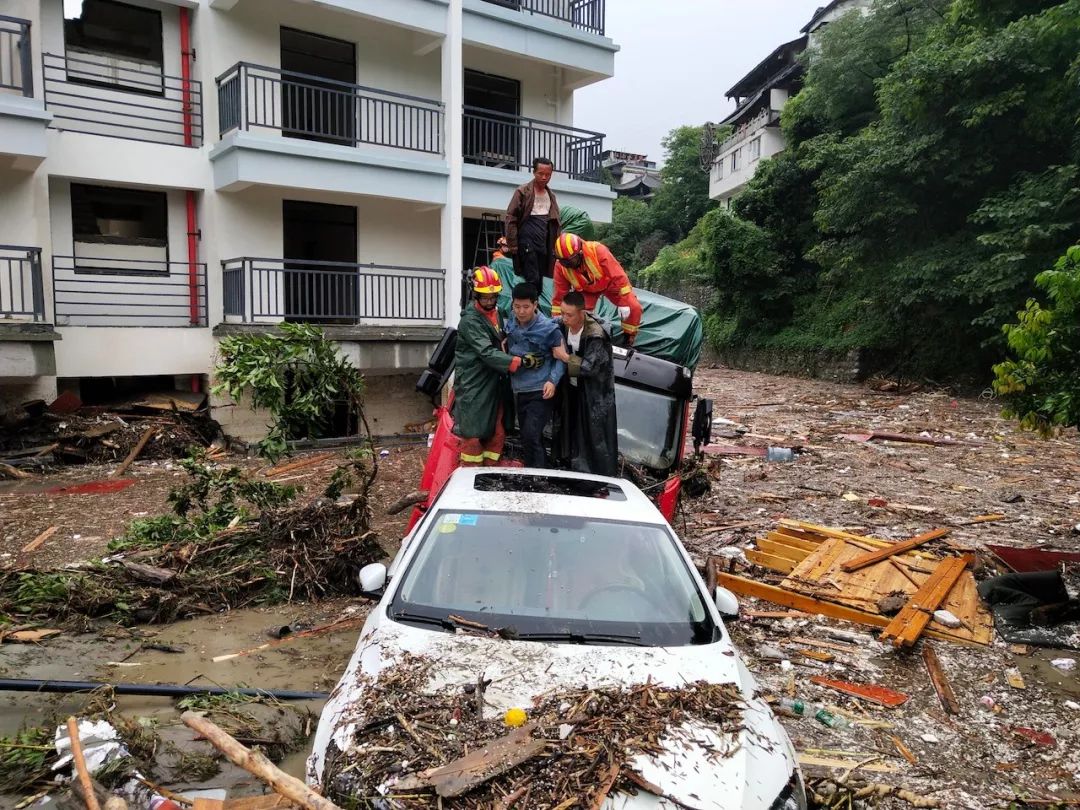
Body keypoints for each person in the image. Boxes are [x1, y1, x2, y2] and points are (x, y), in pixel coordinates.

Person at [452, 266, 521, 467]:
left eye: (493, 297)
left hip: (493, 378)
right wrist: (514, 362)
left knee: (497, 428)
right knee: (473, 432)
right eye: (485, 297)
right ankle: (470, 472)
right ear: (476, 295)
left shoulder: (495, 313)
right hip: (475, 381)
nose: (490, 301)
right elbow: (485, 351)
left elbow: (499, 340)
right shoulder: (469, 320)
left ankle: (491, 469)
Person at [553, 290, 619, 476]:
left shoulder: (596, 334)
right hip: (570, 389)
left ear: (582, 313)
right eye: (562, 313)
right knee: (566, 426)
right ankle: (566, 463)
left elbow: (590, 368)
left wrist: (565, 357)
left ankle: (594, 475)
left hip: (593, 393)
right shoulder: (561, 324)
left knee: (592, 434)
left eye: (569, 315)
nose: (564, 318)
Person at [506, 282, 566, 468]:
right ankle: (530, 474)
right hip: (519, 389)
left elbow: (562, 358)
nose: (521, 311)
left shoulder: (548, 328)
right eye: (517, 306)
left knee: (532, 434)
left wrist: (552, 381)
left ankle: (540, 477)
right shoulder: (511, 321)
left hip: (541, 391)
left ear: (535, 304)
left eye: (526, 307)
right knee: (526, 436)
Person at [551, 233, 643, 346]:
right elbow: (559, 295)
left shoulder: (597, 250)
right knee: (578, 314)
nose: (567, 265)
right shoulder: (561, 266)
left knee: (633, 307)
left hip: (609, 284)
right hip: (586, 291)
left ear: (580, 253)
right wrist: (556, 320)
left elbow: (618, 274)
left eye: (570, 261)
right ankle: (581, 341)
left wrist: (624, 301)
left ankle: (628, 340)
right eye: (563, 261)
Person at [504, 157, 560, 288]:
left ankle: (534, 306)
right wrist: (513, 245)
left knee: (540, 279)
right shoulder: (522, 192)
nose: (544, 177)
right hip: (526, 240)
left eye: (548, 175)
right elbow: (511, 218)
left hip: (544, 242)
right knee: (531, 278)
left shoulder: (551, 195)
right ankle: (527, 305)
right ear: (534, 172)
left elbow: (555, 223)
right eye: (541, 174)